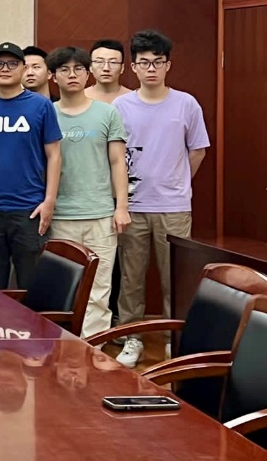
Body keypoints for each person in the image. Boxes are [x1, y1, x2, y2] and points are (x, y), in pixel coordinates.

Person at [113, 30, 209, 368]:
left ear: (168, 65)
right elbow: (115, 155)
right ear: (133, 67)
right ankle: (131, 337)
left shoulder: (186, 104)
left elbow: (197, 151)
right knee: (130, 278)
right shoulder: (120, 106)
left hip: (174, 207)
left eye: (157, 62)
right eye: (144, 62)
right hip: (132, 206)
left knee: (175, 279)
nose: (151, 68)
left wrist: (177, 182)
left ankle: (173, 338)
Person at [46, 46, 130, 338]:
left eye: (79, 69)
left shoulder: (107, 113)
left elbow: (117, 162)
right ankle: (63, 344)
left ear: (88, 73)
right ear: (53, 76)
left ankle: (93, 347)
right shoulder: (46, 113)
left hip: (101, 214)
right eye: (64, 70)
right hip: (59, 216)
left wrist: (121, 207)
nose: (72, 75)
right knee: (62, 286)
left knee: (99, 288)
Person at [0, 42, 62, 290]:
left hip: (29, 208)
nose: (5, 69)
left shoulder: (41, 105)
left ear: (22, 68)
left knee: (32, 287)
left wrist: (49, 201)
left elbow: (54, 155)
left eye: (12, 64)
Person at [86, 39, 132, 104]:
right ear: (90, 67)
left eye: (113, 62)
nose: (106, 68)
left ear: (122, 68)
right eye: (99, 62)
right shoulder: (79, 98)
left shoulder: (132, 99)